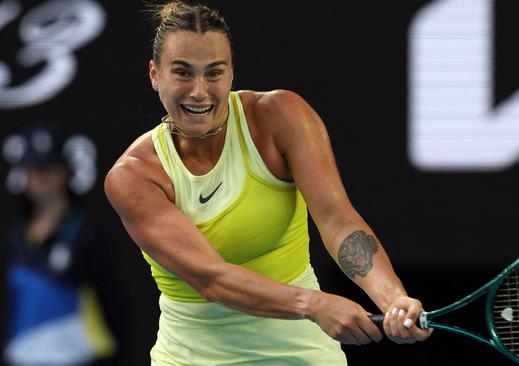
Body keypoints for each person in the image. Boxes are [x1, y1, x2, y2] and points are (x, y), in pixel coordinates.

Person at [104, 1, 432, 364]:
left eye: (214, 73)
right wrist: (314, 303)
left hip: (302, 353)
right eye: (182, 73)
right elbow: (212, 279)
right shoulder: (134, 175)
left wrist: (393, 300)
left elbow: (338, 220)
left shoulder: (280, 118)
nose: (199, 91)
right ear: (155, 75)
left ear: (231, 74)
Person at [1, 125, 123, 366]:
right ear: (23, 176)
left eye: (50, 168)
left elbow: (115, 307)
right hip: (20, 357)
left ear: (67, 172)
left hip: (79, 358)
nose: (42, 177)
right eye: (34, 170)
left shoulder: (88, 236)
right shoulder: (13, 240)